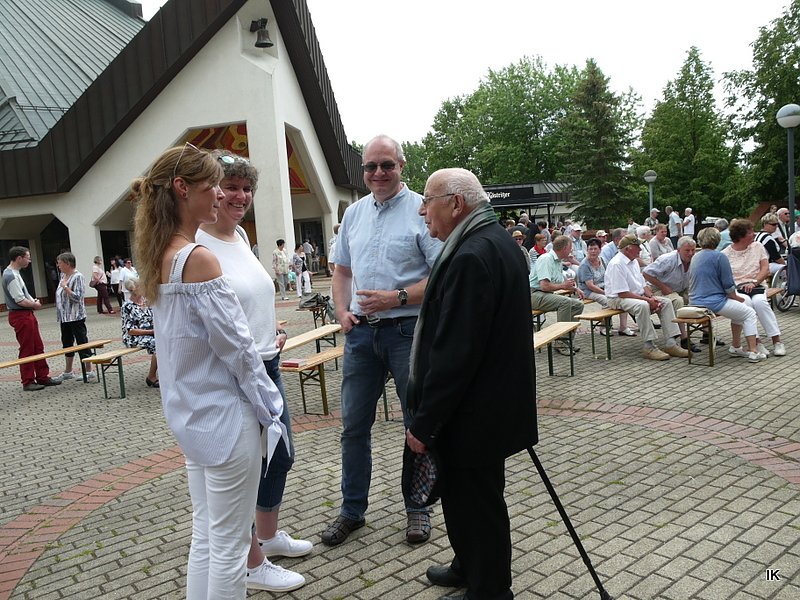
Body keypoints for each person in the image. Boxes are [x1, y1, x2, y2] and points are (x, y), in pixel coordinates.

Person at [130, 143, 287, 599]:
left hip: (192, 415)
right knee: (229, 545)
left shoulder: (163, 253)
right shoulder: (198, 258)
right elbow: (238, 350)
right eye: (211, 185)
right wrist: (269, 405)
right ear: (182, 189)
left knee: (207, 535)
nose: (220, 195)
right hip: (225, 415)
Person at [408, 168, 537, 600]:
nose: (423, 210)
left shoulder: (470, 255)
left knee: (477, 505)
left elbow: (454, 354)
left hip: (474, 411)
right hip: (489, 406)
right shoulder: (497, 241)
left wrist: (424, 423)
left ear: (456, 204)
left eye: (429, 200)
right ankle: (468, 566)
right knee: (466, 499)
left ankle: (490, 590)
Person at [321, 134, 442, 547]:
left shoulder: (421, 211)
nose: (377, 173)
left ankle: (418, 509)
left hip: (407, 332)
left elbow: (440, 276)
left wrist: (396, 297)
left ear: (401, 166)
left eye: (386, 165)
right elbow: (340, 271)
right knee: (353, 426)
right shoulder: (354, 213)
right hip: (361, 338)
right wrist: (342, 312)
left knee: (416, 425)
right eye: (371, 166)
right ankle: (352, 511)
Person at [197, 151, 307, 592]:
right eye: (231, 188)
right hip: (236, 374)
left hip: (268, 361)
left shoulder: (240, 236)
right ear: (211, 193)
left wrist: (271, 331)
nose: (241, 196)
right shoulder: (199, 247)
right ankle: (252, 562)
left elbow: (246, 301)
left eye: (247, 189)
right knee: (243, 470)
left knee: (279, 457)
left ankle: (267, 535)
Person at [604, 235, 690, 361]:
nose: (640, 249)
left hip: (633, 296)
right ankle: (648, 346)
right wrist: (647, 300)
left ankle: (671, 343)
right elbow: (622, 293)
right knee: (642, 305)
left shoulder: (633, 261)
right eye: (637, 246)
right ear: (628, 249)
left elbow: (642, 284)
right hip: (616, 299)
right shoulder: (617, 264)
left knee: (666, 302)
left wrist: (651, 297)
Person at [689, 227, 765, 362]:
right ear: (717, 240)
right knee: (749, 313)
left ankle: (736, 346)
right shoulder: (719, 256)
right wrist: (737, 297)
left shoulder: (696, 256)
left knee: (739, 311)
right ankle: (754, 351)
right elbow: (728, 285)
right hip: (713, 301)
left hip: (695, 299)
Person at [721, 219, 786, 357]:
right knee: (747, 305)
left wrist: (755, 282)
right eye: (750, 232)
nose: (754, 234)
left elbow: (765, 268)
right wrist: (738, 286)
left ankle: (777, 341)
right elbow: (725, 277)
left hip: (757, 286)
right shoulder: (725, 254)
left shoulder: (757, 247)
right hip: (738, 288)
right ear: (741, 236)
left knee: (761, 303)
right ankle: (756, 342)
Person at [1, 246, 61, 391]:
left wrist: (32, 301)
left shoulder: (15, 273)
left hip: (25, 314)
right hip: (20, 315)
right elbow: (19, 300)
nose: (30, 260)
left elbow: (22, 296)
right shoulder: (11, 275)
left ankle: (42, 376)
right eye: (28, 257)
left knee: (37, 346)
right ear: (19, 258)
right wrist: (34, 304)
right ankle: (27, 380)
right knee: (27, 348)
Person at [642, 237, 701, 352]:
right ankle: (684, 339)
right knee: (678, 301)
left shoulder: (694, 259)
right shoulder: (667, 260)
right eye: (687, 250)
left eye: (693, 250)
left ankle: (707, 334)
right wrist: (663, 287)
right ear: (678, 250)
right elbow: (646, 273)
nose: (691, 253)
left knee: (701, 299)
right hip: (657, 289)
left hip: (680, 288)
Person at [529, 235, 585, 344]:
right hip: (533, 295)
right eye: (570, 248)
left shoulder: (558, 261)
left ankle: (568, 338)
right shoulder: (546, 259)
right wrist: (564, 286)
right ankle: (561, 342)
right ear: (564, 249)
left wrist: (575, 289)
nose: (571, 251)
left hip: (543, 293)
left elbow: (559, 283)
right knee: (565, 302)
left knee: (578, 304)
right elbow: (544, 286)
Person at [52, 252, 97, 382]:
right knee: (67, 343)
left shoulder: (78, 277)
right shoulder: (63, 275)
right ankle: (68, 371)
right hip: (64, 317)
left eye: (59, 263)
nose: (58, 265)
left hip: (76, 316)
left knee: (82, 341)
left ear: (67, 263)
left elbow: (78, 297)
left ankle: (89, 370)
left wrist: (65, 287)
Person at [576, 238, 633, 336]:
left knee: (623, 298)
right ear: (587, 250)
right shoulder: (585, 265)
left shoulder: (602, 259)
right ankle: (604, 327)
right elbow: (590, 285)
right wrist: (606, 293)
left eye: (595, 249)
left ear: (600, 250)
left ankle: (623, 327)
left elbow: (609, 275)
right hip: (588, 291)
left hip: (603, 287)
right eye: (590, 249)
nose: (593, 251)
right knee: (608, 301)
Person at [120, 278, 159, 387]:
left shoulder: (147, 302)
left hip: (151, 333)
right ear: (134, 290)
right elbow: (130, 330)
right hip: (135, 337)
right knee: (158, 344)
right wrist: (151, 331)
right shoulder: (127, 306)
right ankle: (151, 377)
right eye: (141, 286)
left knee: (168, 340)